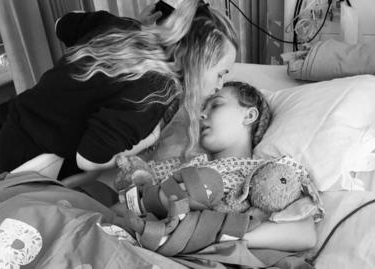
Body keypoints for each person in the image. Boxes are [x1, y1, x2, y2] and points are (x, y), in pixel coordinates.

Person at [0, 0, 239, 179]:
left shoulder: (121, 27)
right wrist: (148, 139)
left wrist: (133, 25)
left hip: (12, 130)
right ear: (195, 61)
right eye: (221, 73)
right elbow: (89, 159)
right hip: (32, 164)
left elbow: (63, 24)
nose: (219, 85)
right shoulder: (158, 90)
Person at [115, 81, 317, 251]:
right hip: (140, 232)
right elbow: (126, 205)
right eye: (203, 108)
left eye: (216, 105)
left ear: (249, 116)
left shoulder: (265, 172)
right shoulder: (181, 166)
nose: (202, 114)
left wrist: (213, 236)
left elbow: (305, 234)